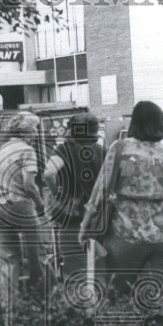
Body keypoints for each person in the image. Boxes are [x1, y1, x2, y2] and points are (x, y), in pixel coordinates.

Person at [80, 101, 163, 296]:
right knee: (154, 295)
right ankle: (157, 325)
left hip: (127, 231)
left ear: (134, 122)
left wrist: (86, 226)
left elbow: (100, 191)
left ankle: (123, 325)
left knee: (118, 293)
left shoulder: (120, 148)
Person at [0, 111, 47, 293]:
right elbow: (29, 184)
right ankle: (42, 298)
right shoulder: (27, 150)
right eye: (35, 129)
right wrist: (40, 202)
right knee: (37, 253)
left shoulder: (2, 150)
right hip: (21, 204)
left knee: (8, 258)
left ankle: (9, 307)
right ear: (25, 131)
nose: (36, 133)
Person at [43, 111, 104, 280]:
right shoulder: (101, 151)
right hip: (97, 217)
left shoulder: (64, 149)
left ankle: (78, 302)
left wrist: (59, 193)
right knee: (97, 267)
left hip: (72, 217)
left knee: (75, 267)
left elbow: (49, 174)